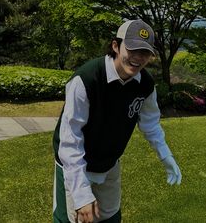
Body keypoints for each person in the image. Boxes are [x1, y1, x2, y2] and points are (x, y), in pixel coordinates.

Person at [53, 19, 182, 223]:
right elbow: (70, 141)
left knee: (110, 218)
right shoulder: (86, 79)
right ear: (115, 45)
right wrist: (81, 194)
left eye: (145, 52)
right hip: (76, 166)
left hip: (110, 163)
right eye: (132, 49)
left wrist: (166, 155)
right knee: (74, 219)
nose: (138, 58)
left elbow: (150, 124)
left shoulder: (145, 85)